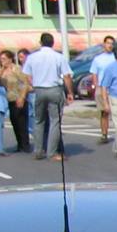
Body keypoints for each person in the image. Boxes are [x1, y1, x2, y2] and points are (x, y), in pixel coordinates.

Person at [22, 32, 73, 161]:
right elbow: (67, 76)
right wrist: (70, 92)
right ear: (53, 43)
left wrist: (32, 84)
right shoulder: (58, 57)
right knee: (55, 121)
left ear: (41, 43)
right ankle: (52, 152)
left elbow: (27, 74)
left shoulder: (32, 57)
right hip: (54, 89)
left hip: (39, 89)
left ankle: (38, 150)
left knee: (39, 121)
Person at [0, 50, 31, 153]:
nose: (2, 61)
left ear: (10, 59)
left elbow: (25, 83)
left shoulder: (16, 69)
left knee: (21, 122)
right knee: (14, 122)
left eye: (4, 59)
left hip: (19, 98)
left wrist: (22, 97)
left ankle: (25, 145)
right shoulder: (1, 71)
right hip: (8, 99)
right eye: (1, 59)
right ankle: (19, 144)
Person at [89, 35, 116, 144]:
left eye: (112, 43)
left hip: (114, 88)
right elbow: (94, 74)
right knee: (104, 112)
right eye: (108, 43)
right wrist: (96, 86)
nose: (110, 45)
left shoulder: (116, 57)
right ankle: (104, 134)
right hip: (102, 88)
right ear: (104, 44)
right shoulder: (98, 59)